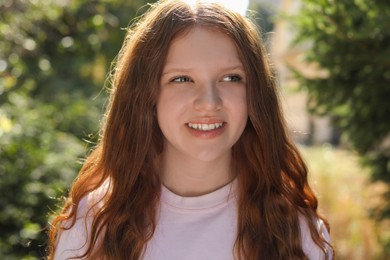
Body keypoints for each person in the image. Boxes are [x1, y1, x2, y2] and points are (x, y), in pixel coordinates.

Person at [48, 0, 334, 259]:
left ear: (255, 94)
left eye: (231, 78)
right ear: (147, 95)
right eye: (182, 79)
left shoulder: (292, 228)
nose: (209, 102)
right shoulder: (94, 222)